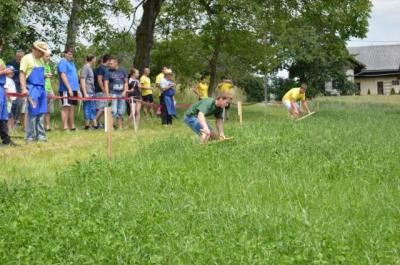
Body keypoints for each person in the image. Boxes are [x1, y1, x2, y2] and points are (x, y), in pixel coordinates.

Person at [20, 41, 49, 142]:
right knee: (33, 113)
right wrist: (24, 88)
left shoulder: (41, 60)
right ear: (36, 49)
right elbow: (22, 74)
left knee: (41, 113)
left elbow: (39, 75)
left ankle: (41, 136)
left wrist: (45, 76)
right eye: (41, 51)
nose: (42, 54)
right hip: (32, 89)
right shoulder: (26, 58)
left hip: (41, 89)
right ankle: (30, 136)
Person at [57, 47, 79, 131]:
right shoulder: (63, 62)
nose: (71, 55)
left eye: (72, 54)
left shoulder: (72, 63)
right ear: (65, 54)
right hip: (66, 89)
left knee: (72, 108)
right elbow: (63, 75)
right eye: (69, 54)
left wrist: (78, 89)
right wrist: (69, 88)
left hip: (74, 89)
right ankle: (65, 127)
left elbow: (75, 76)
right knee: (66, 107)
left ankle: (72, 127)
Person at [104, 57, 128, 130]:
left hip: (121, 94)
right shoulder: (107, 72)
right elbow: (106, 83)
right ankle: (110, 127)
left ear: (116, 63)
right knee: (113, 111)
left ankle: (120, 127)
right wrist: (108, 94)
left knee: (121, 111)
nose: (109, 65)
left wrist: (124, 91)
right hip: (113, 93)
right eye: (109, 64)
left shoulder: (123, 71)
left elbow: (126, 82)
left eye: (111, 64)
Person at [0, 39, 16, 146]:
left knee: (3, 115)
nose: (1, 49)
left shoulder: (1, 60)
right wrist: (3, 72)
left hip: (1, 88)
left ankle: (6, 140)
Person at [80, 55, 97, 130]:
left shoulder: (90, 67)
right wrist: (85, 93)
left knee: (93, 108)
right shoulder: (85, 67)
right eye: (95, 58)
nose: (96, 60)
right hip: (87, 91)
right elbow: (82, 80)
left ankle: (94, 125)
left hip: (91, 91)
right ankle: (87, 125)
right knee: (87, 107)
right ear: (92, 59)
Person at [7, 50, 24, 126]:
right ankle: (11, 120)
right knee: (13, 104)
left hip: (21, 86)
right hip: (11, 86)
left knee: (20, 104)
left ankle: (17, 120)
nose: (20, 58)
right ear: (15, 56)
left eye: (21, 57)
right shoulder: (10, 63)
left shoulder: (24, 64)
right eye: (18, 57)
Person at [94, 54, 111, 127]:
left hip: (101, 91)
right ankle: (93, 123)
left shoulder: (104, 68)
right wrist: (104, 90)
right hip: (100, 91)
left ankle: (98, 123)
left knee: (103, 108)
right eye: (110, 61)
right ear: (108, 60)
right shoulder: (102, 68)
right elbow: (99, 80)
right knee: (101, 108)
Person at [43, 51, 54, 131]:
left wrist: (52, 90)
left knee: (48, 109)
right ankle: (40, 125)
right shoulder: (39, 65)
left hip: (49, 88)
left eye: (49, 56)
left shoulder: (48, 65)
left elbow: (48, 79)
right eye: (47, 56)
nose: (49, 58)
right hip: (43, 89)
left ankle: (48, 126)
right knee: (42, 108)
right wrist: (46, 75)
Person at [4, 66, 17, 131]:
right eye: (11, 72)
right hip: (9, 100)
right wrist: (9, 98)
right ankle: (9, 128)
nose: (13, 73)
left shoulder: (11, 80)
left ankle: (12, 127)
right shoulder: (5, 79)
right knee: (8, 114)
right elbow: (6, 90)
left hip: (14, 99)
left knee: (12, 114)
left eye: (13, 72)